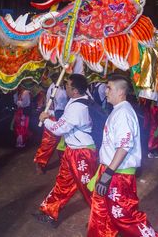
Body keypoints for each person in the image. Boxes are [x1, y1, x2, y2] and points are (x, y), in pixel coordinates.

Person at [87, 74, 158, 237]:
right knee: (101, 210)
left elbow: (124, 146)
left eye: (109, 88)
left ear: (121, 92)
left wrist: (107, 174)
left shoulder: (123, 113)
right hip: (110, 170)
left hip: (117, 174)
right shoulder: (118, 110)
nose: (106, 91)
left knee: (124, 215)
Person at [33, 74, 98, 226]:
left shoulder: (77, 107)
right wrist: (52, 114)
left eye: (67, 85)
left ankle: (105, 219)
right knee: (62, 183)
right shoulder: (77, 101)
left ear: (75, 90)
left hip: (82, 153)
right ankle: (50, 212)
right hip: (73, 151)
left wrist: (45, 119)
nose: (64, 87)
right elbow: (65, 118)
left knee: (89, 189)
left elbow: (58, 128)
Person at [34, 74, 68, 174]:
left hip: (65, 118)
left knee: (65, 144)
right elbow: (51, 105)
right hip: (54, 117)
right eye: (55, 77)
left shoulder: (65, 87)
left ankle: (65, 165)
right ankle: (40, 163)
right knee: (48, 143)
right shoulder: (53, 87)